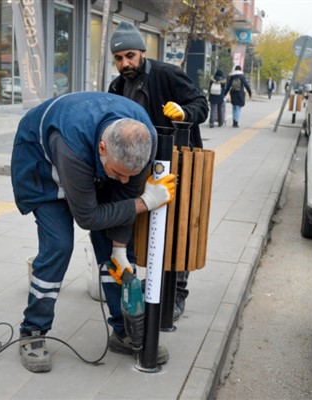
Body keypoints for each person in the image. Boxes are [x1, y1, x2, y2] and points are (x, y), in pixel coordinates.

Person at [10, 92, 177, 373]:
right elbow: (87, 217)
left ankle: (122, 331)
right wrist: (145, 202)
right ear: (102, 148)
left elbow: (124, 193)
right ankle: (32, 331)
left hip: (92, 162)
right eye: (118, 172)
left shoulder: (142, 139)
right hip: (43, 167)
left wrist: (119, 249)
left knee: (114, 252)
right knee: (58, 247)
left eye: (129, 174)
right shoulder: (71, 146)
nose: (125, 179)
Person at [108, 21, 209, 321]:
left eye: (129, 56)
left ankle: (177, 292)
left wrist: (184, 113)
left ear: (142, 52)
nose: (125, 63)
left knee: (178, 229)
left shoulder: (166, 74)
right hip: (139, 168)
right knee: (145, 226)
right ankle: (150, 282)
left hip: (178, 165)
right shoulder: (116, 87)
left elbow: (200, 104)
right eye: (119, 58)